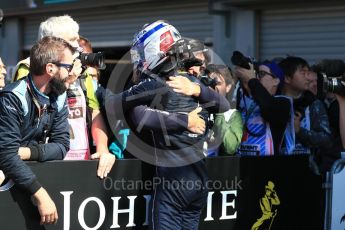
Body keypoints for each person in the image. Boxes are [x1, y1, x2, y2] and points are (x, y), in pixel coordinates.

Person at [106, 20, 230, 229]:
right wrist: (195, 97)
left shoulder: (155, 83)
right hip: (200, 182)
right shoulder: (197, 84)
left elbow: (117, 107)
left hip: (174, 185)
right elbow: (225, 105)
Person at [12, 15, 114, 178]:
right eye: (73, 40)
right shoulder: (28, 68)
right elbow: (30, 117)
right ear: (54, 42)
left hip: (81, 161)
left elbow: (94, 112)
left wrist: (103, 149)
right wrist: (65, 81)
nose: (78, 46)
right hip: (44, 163)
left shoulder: (82, 70)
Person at [0, 36, 79, 225]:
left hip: (26, 174)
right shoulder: (12, 97)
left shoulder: (59, 97)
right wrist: (41, 194)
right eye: (68, 67)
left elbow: (61, 147)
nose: (71, 74)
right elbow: (6, 155)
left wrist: (26, 152)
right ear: (50, 68)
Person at [233, 60, 291, 155]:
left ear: (276, 81)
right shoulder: (243, 99)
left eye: (262, 74)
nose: (257, 77)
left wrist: (252, 81)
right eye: (256, 74)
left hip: (266, 166)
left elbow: (268, 109)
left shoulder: (283, 102)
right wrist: (233, 82)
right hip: (241, 164)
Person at [279, 56, 331, 156]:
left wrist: (300, 131)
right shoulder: (273, 103)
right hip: (274, 165)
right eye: (303, 73)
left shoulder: (314, 104)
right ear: (287, 78)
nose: (308, 77)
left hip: (307, 167)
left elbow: (326, 140)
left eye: (308, 73)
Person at [205, 64, 243, 156]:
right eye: (209, 82)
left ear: (228, 87)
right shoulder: (197, 108)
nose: (212, 87)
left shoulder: (233, 115)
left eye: (217, 83)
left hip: (217, 167)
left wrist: (219, 111)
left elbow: (230, 148)